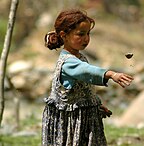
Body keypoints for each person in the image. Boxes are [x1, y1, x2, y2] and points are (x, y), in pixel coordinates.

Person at [42, 8, 133, 146]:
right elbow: (87, 71)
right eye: (80, 34)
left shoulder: (80, 57)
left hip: (84, 120)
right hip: (72, 125)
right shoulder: (68, 62)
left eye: (88, 34)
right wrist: (110, 74)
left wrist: (95, 105)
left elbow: (83, 88)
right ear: (64, 35)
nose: (86, 39)